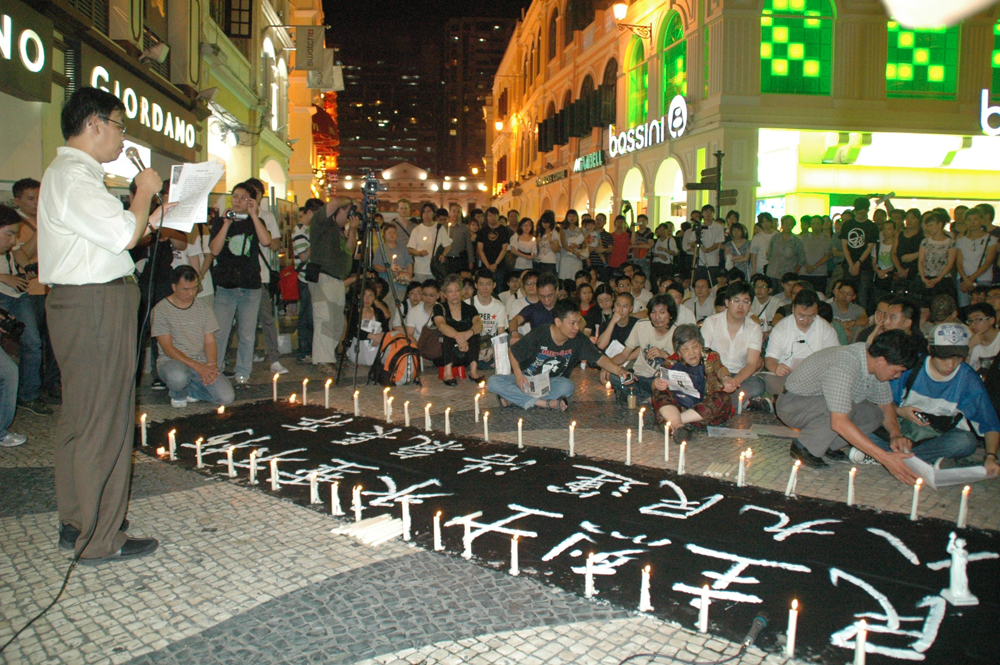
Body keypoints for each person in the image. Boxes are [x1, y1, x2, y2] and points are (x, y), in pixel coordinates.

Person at [39, 86, 170, 562]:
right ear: (94, 123)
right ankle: (99, 537)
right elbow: (120, 233)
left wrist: (151, 215)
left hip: (83, 303)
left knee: (80, 418)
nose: (121, 137)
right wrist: (144, 192)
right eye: (119, 125)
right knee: (106, 423)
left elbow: (110, 240)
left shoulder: (69, 175)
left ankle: (79, 518)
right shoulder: (75, 176)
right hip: (95, 307)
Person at [776, 329, 923, 482]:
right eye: (897, 371)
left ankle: (827, 445)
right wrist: (885, 458)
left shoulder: (873, 362)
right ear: (882, 360)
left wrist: (895, 434)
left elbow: (885, 406)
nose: (897, 376)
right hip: (792, 404)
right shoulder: (845, 364)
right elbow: (839, 421)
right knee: (845, 408)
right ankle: (803, 447)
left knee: (873, 414)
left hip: (818, 404)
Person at [868, 323, 998, 468]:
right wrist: (901, 412)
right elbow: (883, 403)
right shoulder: (911, 366)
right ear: (931, 350)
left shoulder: (967, 379)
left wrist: (991, 456)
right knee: (863, 424)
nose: (951, 365)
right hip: (898, 429)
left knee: (965, 442)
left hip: (935, 436)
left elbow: (989, 422)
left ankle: (894, 457)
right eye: (944, 358)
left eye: (957, 358)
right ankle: (921, 459)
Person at [488, 298, 633, 410]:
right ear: (558, 322)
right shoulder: (540, 333)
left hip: (551, 383)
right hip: (527, 380)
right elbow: (513, 351)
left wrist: (620, 370)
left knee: (567, 386)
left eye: (578, 322)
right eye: (572, 323)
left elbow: (600, 358)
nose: (576, 328)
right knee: (493, 382)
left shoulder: (579, 339)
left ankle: (518, 400)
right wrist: (519, 375)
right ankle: (544, 403)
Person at [209, 182, 272, 384]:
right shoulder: (221, 223)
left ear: (251, 201)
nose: (237, 201)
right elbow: (215, 250)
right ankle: (216, 369)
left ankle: (243, 371)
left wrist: (253, 215)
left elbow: (266, 241)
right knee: (220, 332)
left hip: (250, 285)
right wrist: (226, 224)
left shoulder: (256, 221)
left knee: (247, 334)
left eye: (243, 197)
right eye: (234, 196)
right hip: (226, 286)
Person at [152, 265, 234, 408]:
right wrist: (198, 367)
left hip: (200, 361)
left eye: (194, 288)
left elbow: (210, 342)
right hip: (172, 362)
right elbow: (168, 349)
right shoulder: (161, 310)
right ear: (173, 287)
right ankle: (178, 392)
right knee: (178, 376)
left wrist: (211, 366)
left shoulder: (204, 309)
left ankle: (191, 390)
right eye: (185, 289)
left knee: (226, 397)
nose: (190, 293)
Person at [11, 177, 61, 403]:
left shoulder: (46, 220)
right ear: (17, 200)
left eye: (39, 197)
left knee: (53, 342)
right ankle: (31, 390)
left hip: (51, 289)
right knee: (32, 343)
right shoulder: (15, 225)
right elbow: (23, 255)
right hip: (29, 291)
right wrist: (42, 229)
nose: (36, 202)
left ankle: (52, 384)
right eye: (30, 198)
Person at [0, 205, 52, 416]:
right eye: (9, 234)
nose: (13, 240)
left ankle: (28, 395)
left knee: (33, 343)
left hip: (18, 297)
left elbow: (19, 253)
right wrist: (4, 278)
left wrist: (26, 271)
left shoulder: (10, 245)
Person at [651, 324, 737, 442]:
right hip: (681, 406)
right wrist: (656, 383)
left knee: (723, 398)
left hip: (705, 411)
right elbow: (656, 382)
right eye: (685, 349)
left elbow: (720, 369)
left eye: (695, 347)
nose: (691, 353)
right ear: (679, 353)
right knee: (659, 391)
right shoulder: (672, 361)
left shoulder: (710, 356)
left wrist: (726, 378)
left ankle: (673, 422)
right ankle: (679, 427)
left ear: (701, 346)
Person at [308, 196, 357, 374]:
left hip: (337, 280)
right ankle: (324, 360)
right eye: (347, 211)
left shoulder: (338, 231)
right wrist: (350, 199)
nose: (350, 214)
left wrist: (352, 230)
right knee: (325, 320)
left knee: (337, 323)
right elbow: (336, 201)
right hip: (323, 277)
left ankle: (330, 356)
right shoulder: (322, 224)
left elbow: (349, 251)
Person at [241, 178, 286, 376]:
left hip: (261, 275)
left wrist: (261, 229)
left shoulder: (267, 216)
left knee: (266, 318)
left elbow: (275, 245)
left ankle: (273, 357)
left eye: (255, 194)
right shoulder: (237, 216)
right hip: (239, 275)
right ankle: (244, 357)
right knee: (241, 320)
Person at [700, 281, 766, 407]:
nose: (741, 306)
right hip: (713, 373)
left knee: (758, 385)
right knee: (699, 381)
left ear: (750, 305)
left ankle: (717, 404)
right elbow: (704, 355)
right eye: (736, 301)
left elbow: (751, 364)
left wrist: (734, 382)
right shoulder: (711, 322)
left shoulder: (755, 328)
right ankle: (733, 404)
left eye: (745, 302)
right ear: (727, 303)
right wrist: (723, 378)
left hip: (739, 375)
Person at [763, 289, 840, 395]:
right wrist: (776, 368)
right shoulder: (781, 328)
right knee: (771, 380)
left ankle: (794, 401)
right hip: (786, 376)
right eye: (801, 316)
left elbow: (835, 357)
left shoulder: (826, 329)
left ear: (817, 310)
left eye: (811, 316)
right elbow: (770, 359)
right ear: (793, 309)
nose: (806, 320)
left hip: (816, 378)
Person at [606, 294, 677, 400]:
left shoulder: (678, 333)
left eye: (662, 312)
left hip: (661, 380)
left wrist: (664, 355)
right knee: (614, 376)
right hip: (639, 377)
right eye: (653, 312)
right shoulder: (641, 325)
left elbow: (682, 367)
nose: (657, 317)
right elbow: (624, 354)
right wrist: (608, 365)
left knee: (668, 387)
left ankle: (637, 396)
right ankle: (648, 398)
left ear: (671, 315)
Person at [433, 274, 483, 385]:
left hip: (465, 352)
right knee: (447, 335)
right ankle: (447, 373)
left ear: (461, 292)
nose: (454, 294)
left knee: (475, 334)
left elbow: (479, 324)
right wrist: (460, 338)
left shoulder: (470, 308)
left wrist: (468, 334)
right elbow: (441, 325)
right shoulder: (439, 307)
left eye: (457, 290)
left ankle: (473, 372)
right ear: (445, 295)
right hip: (442, 354)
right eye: (450, 291)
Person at [291, 199, 322, 363]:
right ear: (311, 212)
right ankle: (304, 351)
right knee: (306, 315)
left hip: (312, 277)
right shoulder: (300, 231)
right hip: (305, 278)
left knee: (310, 315)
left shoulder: (308, 230)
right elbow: (303, 255)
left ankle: (309, 349)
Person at [841, 196, 879, 312]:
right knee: (846, 293)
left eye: (862, 212)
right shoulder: (847, 225)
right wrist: (851, 263)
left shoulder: (872, 226)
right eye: (857, 212)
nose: (859, 214)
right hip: (849, 264)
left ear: (867, 211)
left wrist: (858, 263)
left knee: (863, 296)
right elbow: (844, 246)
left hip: (865, 265)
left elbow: (869, 247)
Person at [955, 206, 997, 308]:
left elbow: (988, 263)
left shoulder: (991, 239)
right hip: (962, 280)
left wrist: (971, 279)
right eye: (969, 220)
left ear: (981, 220)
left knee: (982, 308)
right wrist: (965, 278)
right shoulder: (961, 240)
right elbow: (959, 262)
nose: (972, 223)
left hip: (983, 279)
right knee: (964, 308)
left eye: (975, 219)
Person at [470, 269, 508, 378]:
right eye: (481, 284)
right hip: (472, 344)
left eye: (488, 284)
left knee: (508, 340)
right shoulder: (468, 304)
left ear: (494, 285)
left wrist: (494, 350)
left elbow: (501, 333)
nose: (485, 288)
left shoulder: (499, 306)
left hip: (489, 346)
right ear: (476, 285)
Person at [342, 283, 389, 367]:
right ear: (359, 296)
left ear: (374, 298)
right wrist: (372, 336)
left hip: (375, 344)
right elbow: (353, 330)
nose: (367, 299)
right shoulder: (353, 312)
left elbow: (386, 329)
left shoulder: (378, 312)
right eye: (364, 295)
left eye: (370, 295)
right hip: (358, 346)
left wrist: (380, 337)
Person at [917, 210, 957, 300]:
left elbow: (950, 262)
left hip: (943, 279)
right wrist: (923, 278)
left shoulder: (950, 242)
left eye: (931, 225)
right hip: (926, 277)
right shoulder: (925, 242)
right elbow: (921, 261)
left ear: (940, 224)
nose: (929, 228)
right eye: (927, 226)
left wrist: (938, 278)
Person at [509, 272, 559, 342]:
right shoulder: (532, 309)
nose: (546, 300)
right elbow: (514, 321)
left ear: (557, 290)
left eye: (550, 295)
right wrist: (514, 333)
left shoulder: (565, 308)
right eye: (542, 296)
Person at [408, 204, 451, 282]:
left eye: (428, 211)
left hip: (434, 269)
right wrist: (419, 253)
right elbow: (410, 249)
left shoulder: (439, 228)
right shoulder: (417, 230)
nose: (426, 214)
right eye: (424, 212)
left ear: (433, 213)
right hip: (420, 269)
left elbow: (447, 245)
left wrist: (443, 255)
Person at [372, 221, 413, 303]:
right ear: (384, 235)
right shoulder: (381, 249)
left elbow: (409, 263)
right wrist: (386, 269)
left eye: (394, 232)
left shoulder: (402, 248)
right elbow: (375, 265)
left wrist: (409, 276)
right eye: (389, 232)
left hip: (401, 285)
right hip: (388, 284)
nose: (392, 234)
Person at [476, 207, 512, 287]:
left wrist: (495, 264)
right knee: (485, 287)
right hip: (485, 264)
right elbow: (480, 249)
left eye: (494, 215)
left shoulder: (504, 230)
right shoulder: (482, 231)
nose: (492, 218)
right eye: (490, 216)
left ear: (498, 216)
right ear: (487, 217)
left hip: (499, 265)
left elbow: (504, 248)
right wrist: (487, 265)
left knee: (499, 286)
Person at [766, 215, 806, 280]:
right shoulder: (775, 238)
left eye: (790, 224)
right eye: (786, 223)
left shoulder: (796, 241)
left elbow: (801, 259)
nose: (788, 226)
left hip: (787, 275)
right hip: (772, 272)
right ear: (782, 224)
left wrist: (794, 272)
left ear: (793, 226)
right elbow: (769, 254)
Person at [966, 302, 999, 372]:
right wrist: (970, 346)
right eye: (970, 321)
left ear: (991, 320)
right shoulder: (973, 342)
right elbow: (963, 370)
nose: (972, 324)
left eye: (977, 319)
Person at [444, 203, 475, 274]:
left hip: (459, 259)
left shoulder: (464, 228)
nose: (456, 213)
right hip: (446, 259)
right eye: (454, 211)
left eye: (458, 212)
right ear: (450, 213)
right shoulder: (444, 227)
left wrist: (471, 260)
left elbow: (468, 245)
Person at [405, 279, 439, 343]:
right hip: (419, 345)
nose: (428, 298)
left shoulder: (443, 309)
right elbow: (409, 335)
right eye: (425, 295)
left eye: (431, 295)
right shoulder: (413, 311)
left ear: (438, 295)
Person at [749, 273, 781, 338]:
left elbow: (781, 325)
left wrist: (768, 334)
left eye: (763, 287)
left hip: (772, 336)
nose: (759, 289)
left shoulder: (778, 303)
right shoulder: (749, 301)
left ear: (770, 290)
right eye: (756, 286)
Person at [559, 210, 587, 281]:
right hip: (566, 257)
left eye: (574, 216)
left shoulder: (580, 230)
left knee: (576, 278)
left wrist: (579, 246)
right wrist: (574, 251)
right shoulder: (563, 230)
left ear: (577, 218)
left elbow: (585, 244)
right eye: (570, 216)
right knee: (565, 278)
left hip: (576, 258)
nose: (572, 218)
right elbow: (564, 245)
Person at [650, 222, 677, 287]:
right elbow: (652, 253)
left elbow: (674, 252)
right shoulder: (656, 240)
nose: (661, 232)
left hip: (666, 265)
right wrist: (659, 255)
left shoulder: (670, 240)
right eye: (660, 230)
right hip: (656, 264)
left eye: (663, 230)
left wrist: (664, 249)